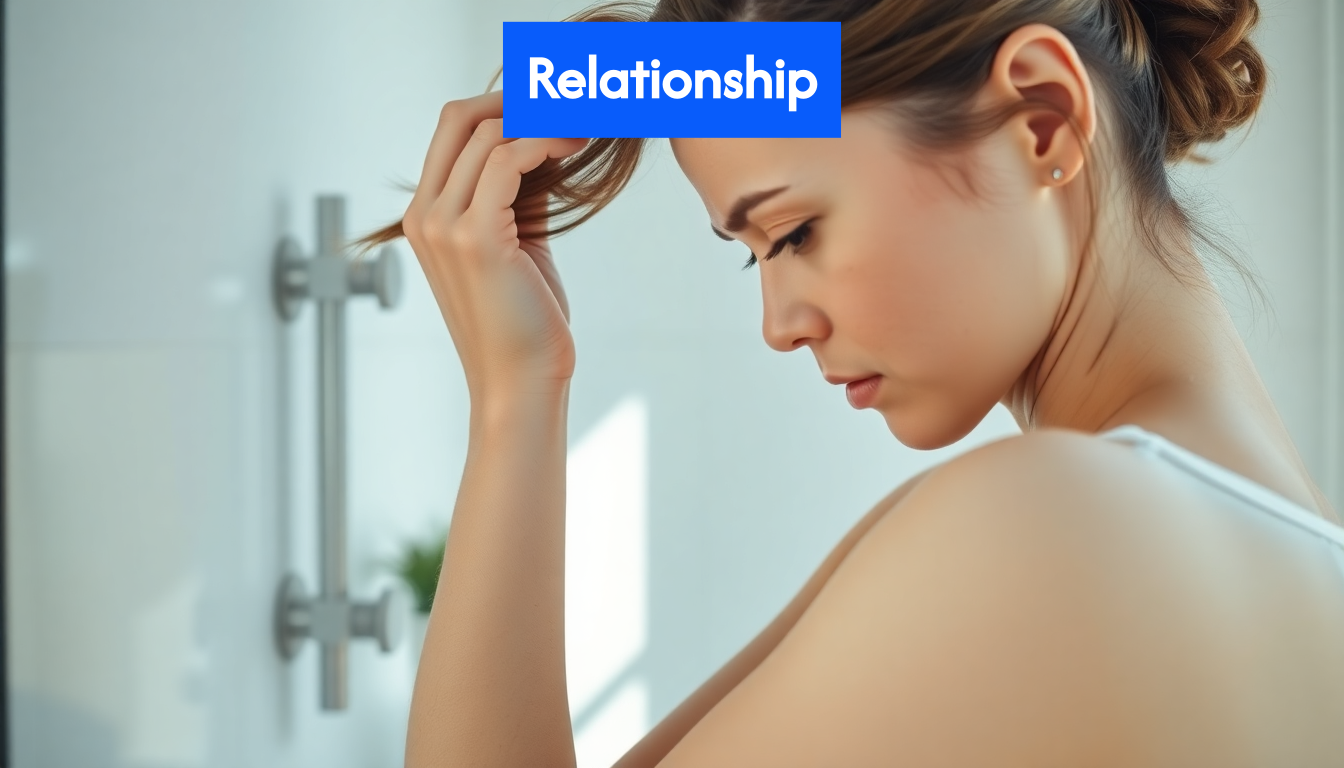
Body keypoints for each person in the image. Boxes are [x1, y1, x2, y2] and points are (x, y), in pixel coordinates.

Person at [359, 0, 1344, 764]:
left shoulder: (1055, 523)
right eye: (754, 255)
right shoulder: (1278, 557)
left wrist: (513, 398)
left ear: (1042, 119)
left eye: (794, 232)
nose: (780, 325)